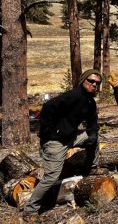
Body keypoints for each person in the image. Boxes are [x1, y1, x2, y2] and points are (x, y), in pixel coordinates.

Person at [24, 69, 102, 216]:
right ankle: (30, 210)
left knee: (95, 137)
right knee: (51, 177)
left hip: (70, 137)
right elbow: (47, 108)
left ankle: (91, 168)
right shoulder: (73, 96)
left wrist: (91, 135)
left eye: (97, 83)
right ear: (83, 81)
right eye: (90, 81)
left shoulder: (90, 102)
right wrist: (49, 133)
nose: (94, 84)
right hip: (55, 141)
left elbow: (93, 123)